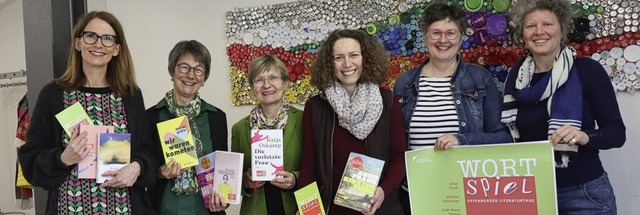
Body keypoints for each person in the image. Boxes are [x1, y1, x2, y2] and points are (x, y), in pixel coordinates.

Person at [17, 11, 157, 214]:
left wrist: (138, 167)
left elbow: (148, 151)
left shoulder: (130, 96)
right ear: (78, 43)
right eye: (91, 36)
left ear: (116, 49)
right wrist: (62, 158)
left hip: (124, 208)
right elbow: (30, 160)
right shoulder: (54, 95)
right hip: (70, 208)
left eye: (107, 39)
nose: (98, 44)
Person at [504, 0, 625, 214]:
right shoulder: (515, 79)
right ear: (522, 35)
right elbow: (505, 136)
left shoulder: (587, 70)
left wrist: (584, 137)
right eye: (531, 26)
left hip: (584, 195)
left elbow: (617, 133)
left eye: (548, 24)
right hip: (532, 193)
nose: (539, 32)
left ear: (562, 29)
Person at [393, 3, 512, 213]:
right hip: (414, 196)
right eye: (436, 33)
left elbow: (503, 138)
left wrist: (462, 140)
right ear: (425, 36)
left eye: (450, 33)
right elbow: (393, 142)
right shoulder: (405, 83)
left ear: (461, 36)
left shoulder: (480, 79)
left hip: (466, 196)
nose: (443, 40)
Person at [299, 29, 406, 215]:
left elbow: (399, 156)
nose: (347, 64)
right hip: (330, 209)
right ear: (329, 63)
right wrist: (309, 211)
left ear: (365, 58)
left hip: (379, 207)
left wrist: (383, 191)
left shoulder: (387, 101)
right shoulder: (315, 106)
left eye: (354, 55)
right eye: (338, 57)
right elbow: (308, 167)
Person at [146, 40, 229, 214]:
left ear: (204, 77)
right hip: (164, 209)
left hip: (205, 210)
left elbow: (224, 171)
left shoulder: (216, 117)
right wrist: (161, 172)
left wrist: (224, 200)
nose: (191, 75)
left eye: (198, 69)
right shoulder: (150, 116)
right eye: (184, 67)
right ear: (172, 70)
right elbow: (142, 170)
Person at [231, 54, 302, 215]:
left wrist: (295, 179)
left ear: (285, 83)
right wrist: (245, 180)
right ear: (252, 87)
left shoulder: (304, 120)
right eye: (259, 80)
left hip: (296, 208)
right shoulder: (239, 128)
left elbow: (317, 167)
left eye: (273, 78)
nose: (266, 85)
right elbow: (233, 179)